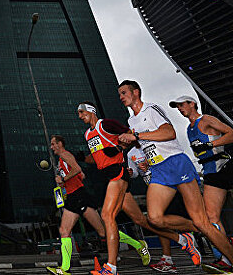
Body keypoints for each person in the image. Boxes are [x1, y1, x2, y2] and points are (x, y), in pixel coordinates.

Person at [117, 80, 233, 275]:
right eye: (119, 94)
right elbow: (144, 143)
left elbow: (169, 133)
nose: (121, 97)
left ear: (136, 92)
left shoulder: (151, 109)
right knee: (154, 218)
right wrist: (129, 144)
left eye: (123, 93)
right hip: (158, 170)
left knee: (202, 221)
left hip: (176, 163)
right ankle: (188, 237)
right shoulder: (131, 122)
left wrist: (137, 136)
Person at [170, 95, 233, 271]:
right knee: (211, 218)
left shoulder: (207, 120)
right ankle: (226, 255)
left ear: (192, 104)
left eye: (182, 105)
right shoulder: (189, 129)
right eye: (177, 107)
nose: (180, 109)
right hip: (210, 173)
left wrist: (212, 145)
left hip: (226, 167)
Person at [45, 135, 148, 275]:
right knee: (64, 231)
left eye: (53, 144)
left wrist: (63, 178)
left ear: (59, 144)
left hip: (79, 196)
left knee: (103, 232)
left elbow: (76, 168)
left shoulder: (64, 154)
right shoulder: (61, 159)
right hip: (72, 197)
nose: (51, 147)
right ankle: (64, 268)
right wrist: (66, 180)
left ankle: (138, 244)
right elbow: (81, 174)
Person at [76, 102, 150, 275]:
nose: (80, 116)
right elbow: (96, 158)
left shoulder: (106, 124)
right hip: (108, 178)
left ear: (91, 111)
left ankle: (111, 267)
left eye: (81, 112)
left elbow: (130, 134)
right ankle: (173, 239)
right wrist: (81, 158)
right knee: (140, 220)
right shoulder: (88, 134)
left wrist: (119, 148)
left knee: (107, 216)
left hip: (118, 175)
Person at [127, 146, 191, 273]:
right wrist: (131, 172)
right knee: (158, 223)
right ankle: (167, 259)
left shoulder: (152, 144)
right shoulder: (131, 153)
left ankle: (215, 238)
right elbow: (134, 173)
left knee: (189, 219)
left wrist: (149, 163)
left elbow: (170, 157)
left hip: (170, 186)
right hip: (153, 190)